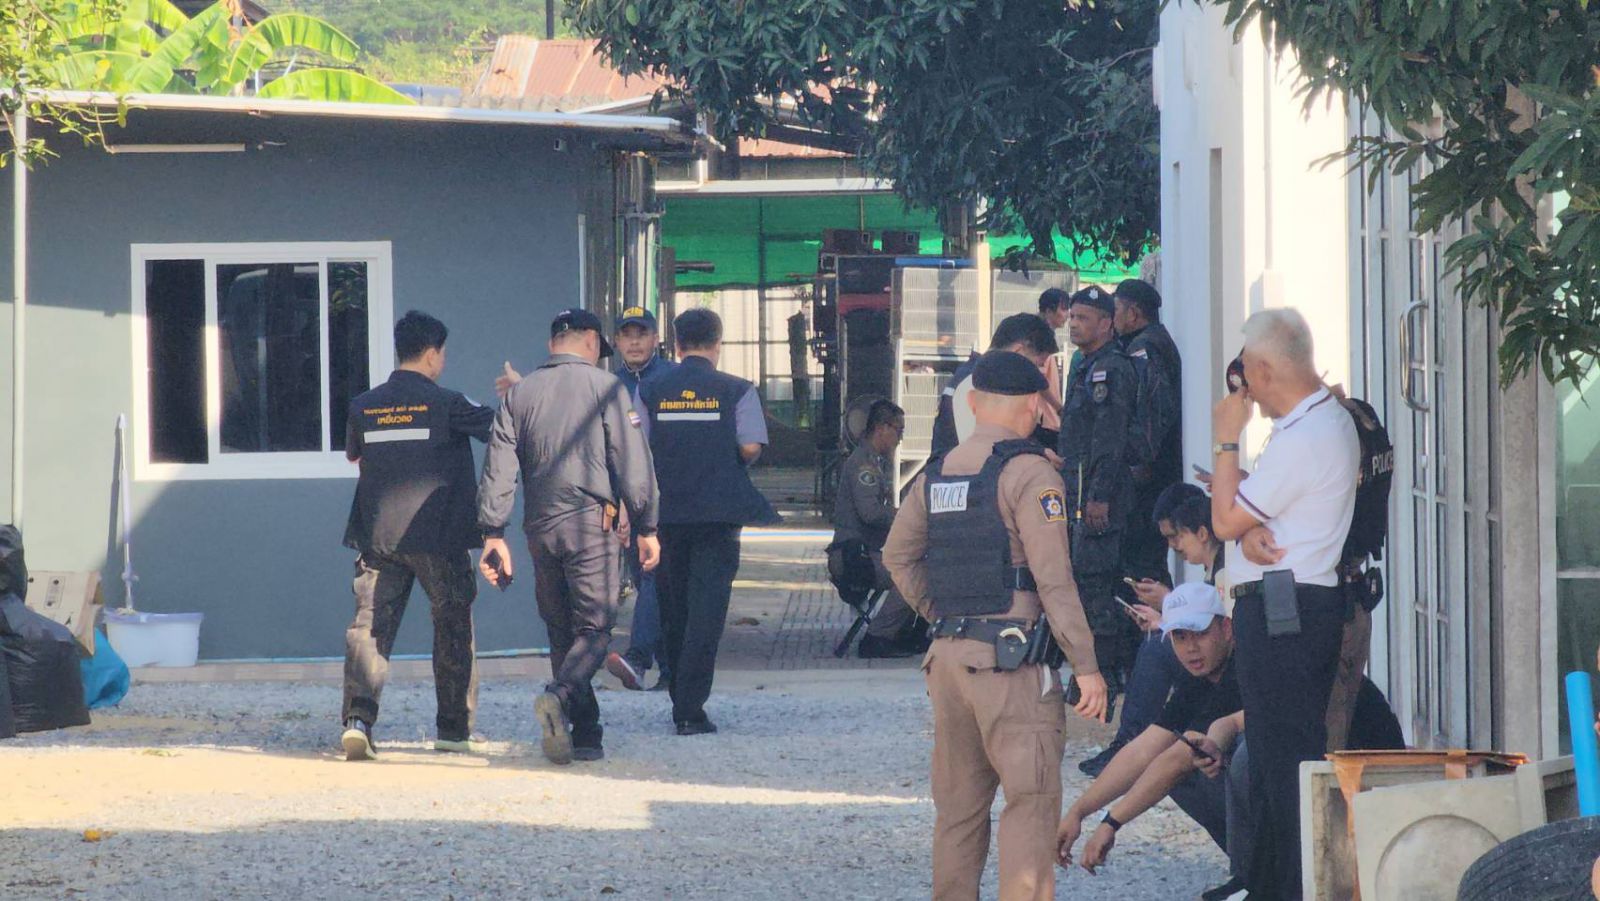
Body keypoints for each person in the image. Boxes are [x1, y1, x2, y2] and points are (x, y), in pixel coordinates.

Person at [882, 349, 1108, 901]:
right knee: (1030, 804)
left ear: (975, 405)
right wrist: (1086, 666)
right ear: (1033, 406)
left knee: (958, 812)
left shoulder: (937, 473)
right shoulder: (1030, 473)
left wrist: (942, 614)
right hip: (1012, 664)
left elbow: (897, 556)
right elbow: (1054, 580)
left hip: (949, 660)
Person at [1209, 307, 1360, 900]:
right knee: (1273, 765)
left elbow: (1224, 518)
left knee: (1284, 767)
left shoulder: (1307, 435)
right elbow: (1251, 513)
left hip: (1288, 613)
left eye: (1245, 372)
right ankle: (1271, 885)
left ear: (1266, 371)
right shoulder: (1315, 423)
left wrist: (1226, 435)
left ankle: (1293, 889)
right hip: (1287, 604)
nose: (1242, 386)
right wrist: (1246, 530)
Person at [478, 309, 660, 765]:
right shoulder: (608, 388)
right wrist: (647, 526)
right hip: (590, 525)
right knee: (595, 627)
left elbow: (498, 468)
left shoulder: (519, 395)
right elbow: (633, 462)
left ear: (551, 344)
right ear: (592, 342)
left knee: (562, 631)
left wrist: (493, 534)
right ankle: (559, 694)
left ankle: (586, 733)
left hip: (540, 527)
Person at [339, 311, 494, 761]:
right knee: (452, 625)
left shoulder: (364, 405)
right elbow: (499, 429)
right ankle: (453, 730)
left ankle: (358, 722)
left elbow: (354, 456)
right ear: (431, 354)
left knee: (369, 628)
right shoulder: (449, 403)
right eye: (442, 353)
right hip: (439, 537)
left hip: (378, 537)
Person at [641, 307, 778, 736]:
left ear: (676, 344)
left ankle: (677, 694)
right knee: (707, 610)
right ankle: (690, 708)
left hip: (666, 515)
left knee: (673, 606)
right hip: (719, 516)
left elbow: (636, 448)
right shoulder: (738, 390)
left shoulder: (650, 389)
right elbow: (751, 446)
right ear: (718, 344)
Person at [1057, 584, 1241, 891]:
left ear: (1226, 629)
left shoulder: (1245, 665)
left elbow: (1177, 758)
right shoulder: (1199, 678)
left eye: (1199, 634)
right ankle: (1247, 869)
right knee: (1181, 765)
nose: (1191, 648)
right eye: (1180, 637)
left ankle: (1259, 871)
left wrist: (1111, 823)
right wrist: (1078, 812)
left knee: (1188, 761)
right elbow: (1142, 749)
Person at [1080, 483, 1219, 777]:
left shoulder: (1226, 569)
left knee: (1158, 648)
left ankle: (1129, 742)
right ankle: (1129, 742)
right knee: (1158, 640)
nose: (1173, 546)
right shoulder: (1213, 568)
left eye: (1175, 536)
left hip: (1223, 667)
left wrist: (1169, 604)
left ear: (1202, 533)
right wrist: (1164, 618)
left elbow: (1216, 627)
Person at [1057, 286, 1142, 720]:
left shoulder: (1111, 370)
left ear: (1107, 324)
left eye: (1083, 318)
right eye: (1072, 317)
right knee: (1085, 582)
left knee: (1096, 586)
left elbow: (1110, 440)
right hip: (1079, 492)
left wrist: (1099, 496)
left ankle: (1103, 681)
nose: (1073, 325)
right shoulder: (1085, 366)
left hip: (1099, 498)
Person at [603, 306, 677, 692]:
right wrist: (614, 505)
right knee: (649, 582)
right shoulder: (607, 385)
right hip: (624, 503)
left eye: (641, 334)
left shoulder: (672, 380)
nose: (634, 342)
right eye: (627, 335)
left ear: (656, 339)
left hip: (666, 498)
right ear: (616, 341)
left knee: (653, 577)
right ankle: (670, 671)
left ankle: (638, 658)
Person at [827, 399, 922, 658]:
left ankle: (899, 631)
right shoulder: (863, 465)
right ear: (881, 428)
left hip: (862, 554)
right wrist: (907, 517)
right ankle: (878, 637)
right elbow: (870, 513)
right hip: (853, 558)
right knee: (913, 576)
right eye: (899, 431)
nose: (900, 439)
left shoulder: (873, 461)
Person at [1115, 278, 1183, 589]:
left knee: (1143, 561)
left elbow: (1153, 410)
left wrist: (1141, 460)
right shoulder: (1149, 342)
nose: (1112, 317)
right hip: (1155, 471)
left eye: (1116, 309)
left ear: (1133, 313)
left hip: (1150, 475)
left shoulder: (1145, 348)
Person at [931, 313, 1061, 457]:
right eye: (1036, 365)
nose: (1035, 373)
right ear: (1017, 352)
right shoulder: (976, 382)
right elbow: (978, 453)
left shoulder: (982, 377)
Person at [1035, 288, 1071, 448]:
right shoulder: (1039, 336)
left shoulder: (1041, 334)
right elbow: (1037, 378)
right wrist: (1059, 408)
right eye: (1064, 309)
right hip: (1042, 418)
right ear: (1049, 311)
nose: (1067, 315)